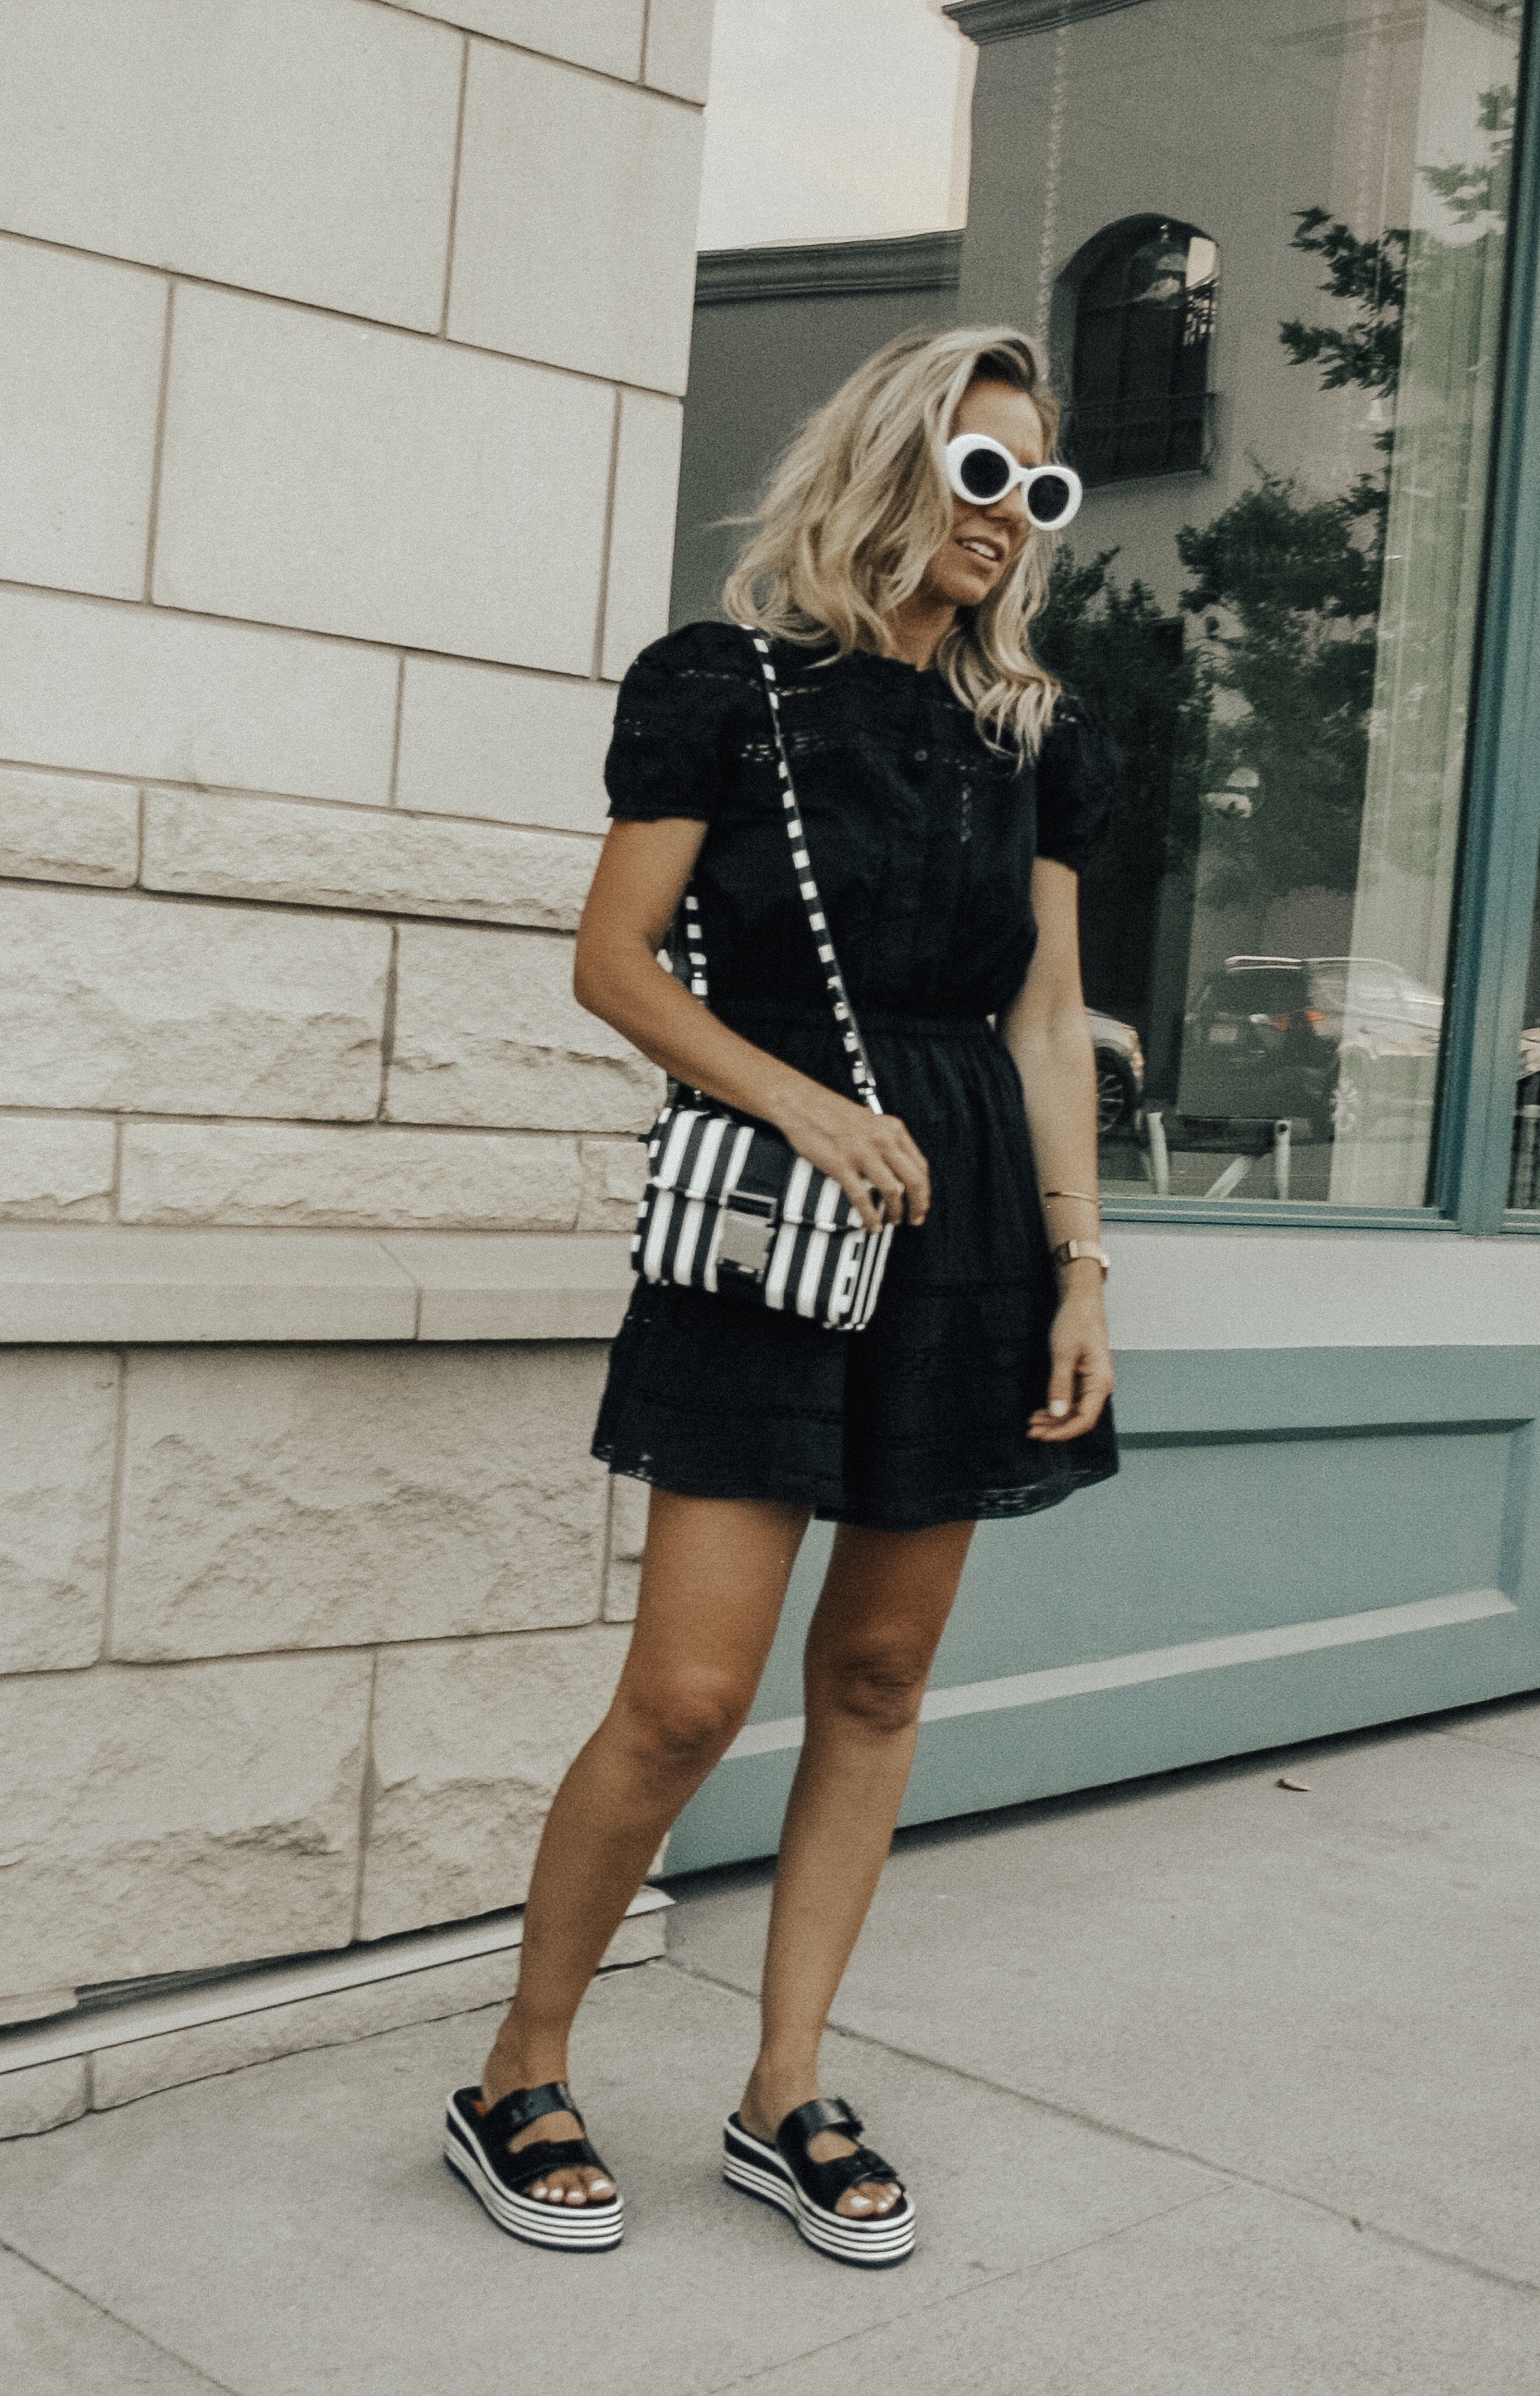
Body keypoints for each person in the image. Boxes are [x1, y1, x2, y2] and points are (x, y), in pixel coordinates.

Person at [445, 325, 1119, 2267]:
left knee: (882, 1678)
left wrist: (1082, 1265)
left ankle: (782, 2085)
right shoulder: (718, 688)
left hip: (975, 1218)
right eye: (982, 472)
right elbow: (616, 960)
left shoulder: (1036, 733)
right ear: (898, 460)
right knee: (683, 1695)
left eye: (1039, 490)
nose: (1010, 521)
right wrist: (804, 1101)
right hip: (777, 1214)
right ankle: (520, 2066)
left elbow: (1049, 1010)